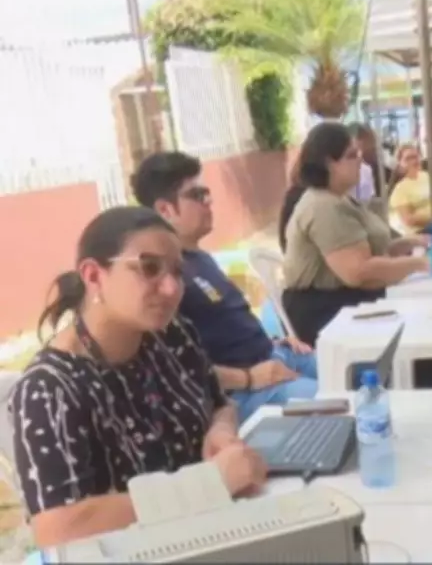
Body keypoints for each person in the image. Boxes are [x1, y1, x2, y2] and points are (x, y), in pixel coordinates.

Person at [11, 206, 268, 548]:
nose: (171, 288)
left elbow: (221, 405)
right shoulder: (49, 389)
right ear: (93, 276)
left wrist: (220, 432)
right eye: (149, 268)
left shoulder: (173, 336)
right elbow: (57, 528)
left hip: (214, 534)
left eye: (177, 272)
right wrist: (208, 484)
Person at [131, 152, 318, 421]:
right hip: (244, 390)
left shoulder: (201, 259)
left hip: (274, 356)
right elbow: (178, 368)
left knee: (360, 373)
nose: (208, 202)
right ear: (165, 210)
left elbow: (229, 321)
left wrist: (272, 341)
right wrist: (249, 377)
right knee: (346, 405)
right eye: (197, 195)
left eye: (207, 193)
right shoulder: (165, 282)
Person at [282, 122, 432, 388]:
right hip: (324, 310)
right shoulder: (324, 206)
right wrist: (418, 263)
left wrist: (407, 243)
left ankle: (412, 393)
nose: (360, 160)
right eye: (351, 155)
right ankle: (402, 398)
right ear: (328, 163)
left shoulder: (340, 198)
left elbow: (369, 249)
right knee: (424, 342)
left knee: (430, 328)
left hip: (345, 298)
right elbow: (358, 272)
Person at [389, 143, 432, 235]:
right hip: (420, 233)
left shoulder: (426, 176)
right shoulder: (400, 189)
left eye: (416, 157)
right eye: (409, 158)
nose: (414, 161)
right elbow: (408, 220)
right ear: (400, 163)